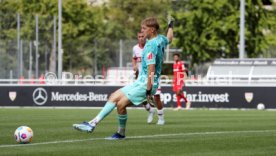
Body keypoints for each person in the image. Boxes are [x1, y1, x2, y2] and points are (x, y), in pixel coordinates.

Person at [73, 17, 173, 140]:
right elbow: (169, 38)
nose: (141, 31)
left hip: (146, 83)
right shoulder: (161, 39)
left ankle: (119, 133)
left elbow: (151, 70)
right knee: (114, 96)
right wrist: (171, 26)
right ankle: (92, 123)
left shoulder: (150, 46)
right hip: (141, 81)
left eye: (144, 29)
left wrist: (148, 90)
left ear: (152, 30)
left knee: (121, 104)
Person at [132, 32, 165, 125]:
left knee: (156, 97)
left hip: (153, 75)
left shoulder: (151, 46)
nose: (141, 38)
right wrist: (134, 65)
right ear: (137, 37)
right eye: (139, 36)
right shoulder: (135, 48)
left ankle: (161, 118)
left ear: (145, 36)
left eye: (142, 36)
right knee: (142, 98)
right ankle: (150, 111)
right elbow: (134, 58)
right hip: (142, 77)